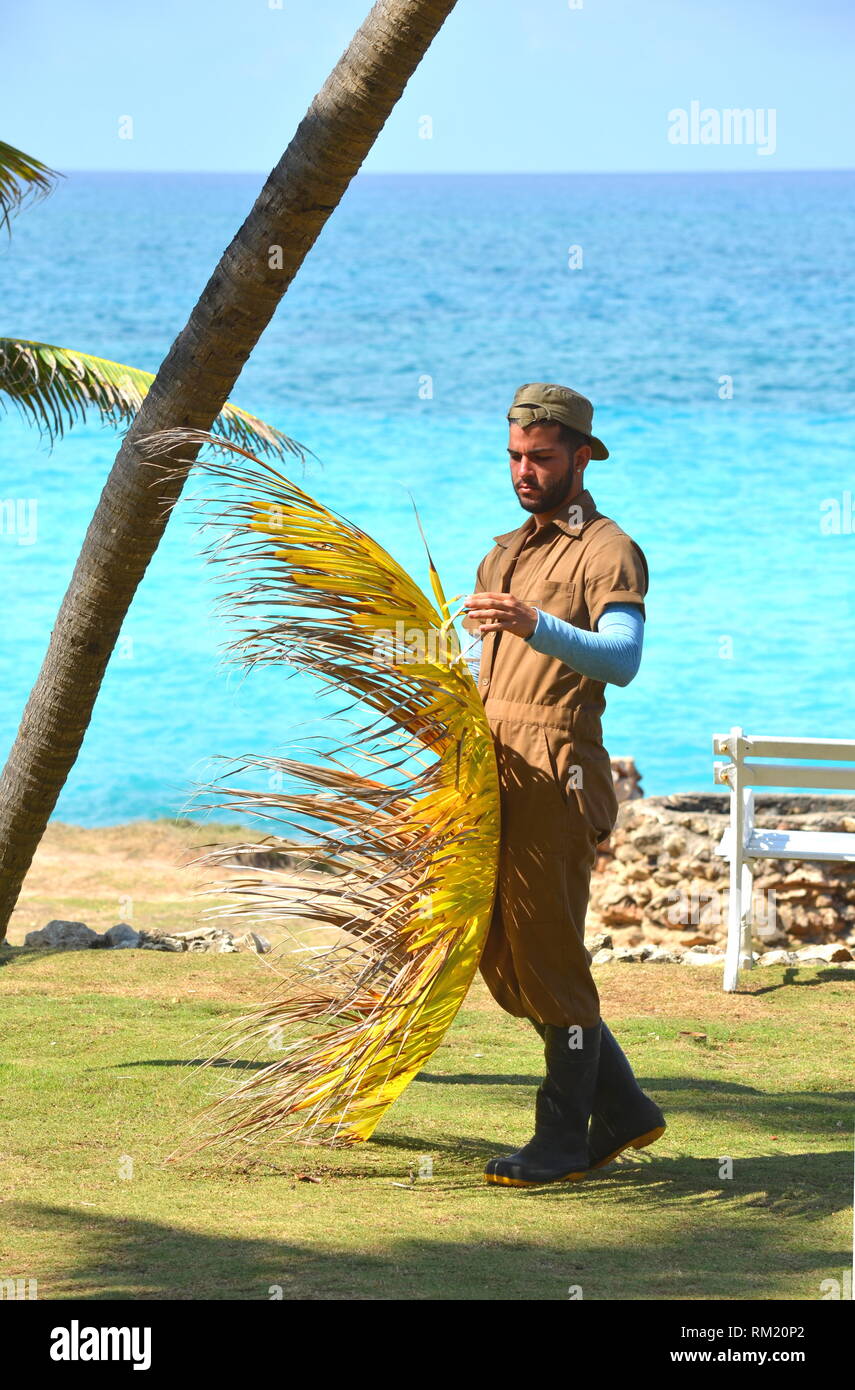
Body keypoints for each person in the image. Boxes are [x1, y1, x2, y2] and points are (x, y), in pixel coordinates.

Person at [461, 382, 665, 1187]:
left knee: (550, 957)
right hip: (492, 769)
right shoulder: (503, 550)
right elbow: (485, 664)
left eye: (541, 458)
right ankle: (625, 1109)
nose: (524, 471)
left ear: (581, 455)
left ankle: (561, 1141)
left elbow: (622, 658)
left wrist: (533, 623)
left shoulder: (607, 548)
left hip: (557, 771)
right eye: (514, 457)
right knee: (502, 954)